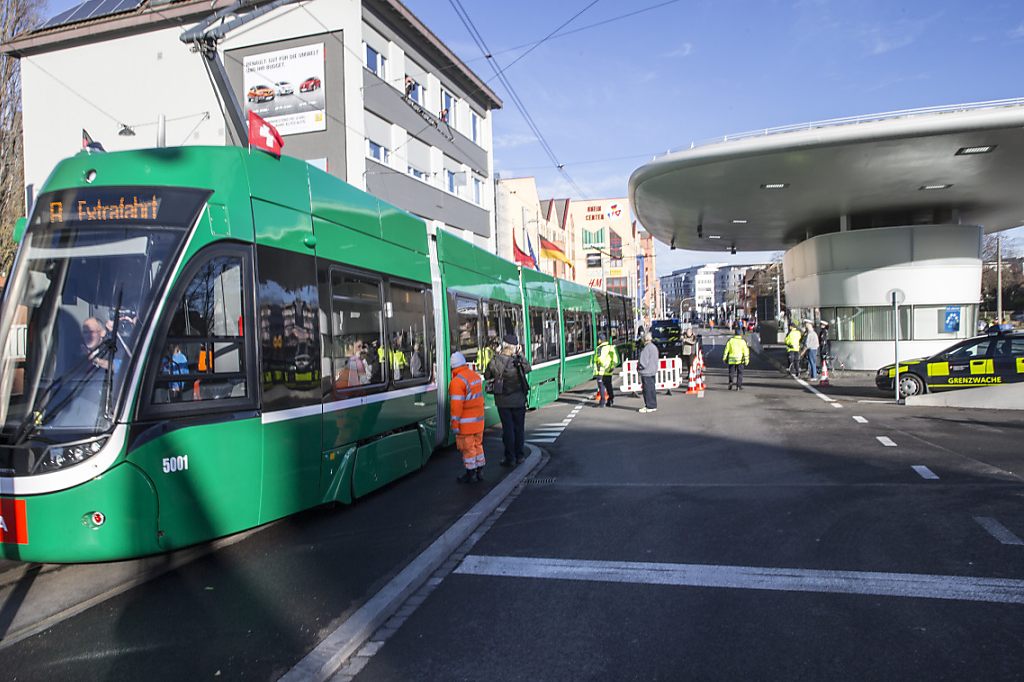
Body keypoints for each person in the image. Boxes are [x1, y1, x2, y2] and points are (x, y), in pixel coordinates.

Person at [485, 334, 531, 467]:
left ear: (502, 345)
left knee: (508, 429)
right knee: (519, 429)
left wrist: (496, 354)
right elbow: (528, 369)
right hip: (519, 400)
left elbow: (487, 375)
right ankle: (520, 455)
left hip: (503, 401)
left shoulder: (496, 360)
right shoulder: (518, 361)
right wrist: (521, 354)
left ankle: (509, 457)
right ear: (515, 347)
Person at [449, 352, 486, 483]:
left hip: (466, 424)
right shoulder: (475, 376)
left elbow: (456, 406)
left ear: (452, 367)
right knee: (478, 445)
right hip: (479, 421)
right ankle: (480, 470)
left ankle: (470, 474)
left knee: (468, 449)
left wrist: (454, 424)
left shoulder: (457, 382)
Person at [592, 332, 619, 407]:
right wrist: (611, 366)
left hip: (601, 371)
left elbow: (599, 359)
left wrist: (596, 365)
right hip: (609, 371)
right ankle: (610, 399)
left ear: (600, 340)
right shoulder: (611, 347)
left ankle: (602, 402)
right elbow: (615, 359)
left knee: (601, 387)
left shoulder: (599, 348)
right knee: (609, 385)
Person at [637, 332, 659, 413]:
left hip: (646, 372)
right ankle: (653, 405)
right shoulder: (654, 347)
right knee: (652, 389)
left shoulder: (646, 348)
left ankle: (649, 406)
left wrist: (639, 367)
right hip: (652, 371)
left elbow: (643, 362)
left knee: (647, 390)